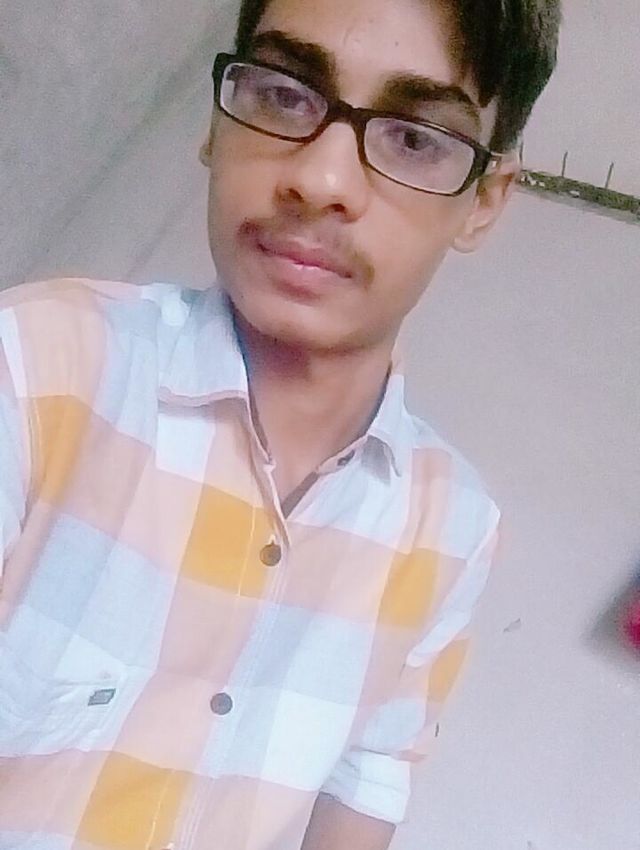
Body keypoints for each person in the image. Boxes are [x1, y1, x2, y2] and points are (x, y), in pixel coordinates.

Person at [0, 0, 560, 847]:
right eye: (284, 95)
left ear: (484, 200)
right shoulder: (36, 368)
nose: (322, 180)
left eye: (414, 138)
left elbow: (365, 787)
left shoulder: (452, 528)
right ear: (215, 122)